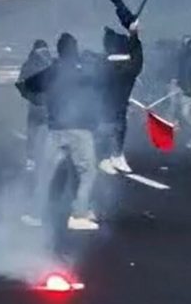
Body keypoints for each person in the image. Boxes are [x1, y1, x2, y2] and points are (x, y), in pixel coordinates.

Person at [19, 33, 103, 231]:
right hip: (79, 129)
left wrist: (41, 101)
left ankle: (35, 214)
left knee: (45, 173)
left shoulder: (52, 70)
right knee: (88, 171)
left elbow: (26, 86)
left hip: (55, 128)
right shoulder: (83, 69)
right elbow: (100, 85)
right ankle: (79, 213)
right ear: (74, 49)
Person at [98, 22, 143, 175]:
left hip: (105, 105)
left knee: (108, 126)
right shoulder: (129, 66)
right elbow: (138, 57)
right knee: (118, 125)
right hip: (119, 104)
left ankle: (106, 156)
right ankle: (115, 154)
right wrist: (134, 35)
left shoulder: (102, 64)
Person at [17, 40, 53, 172]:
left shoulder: (28, 64)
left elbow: (21, 83)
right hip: (49, 105)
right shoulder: (50, 62)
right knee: (53, 132)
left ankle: (31, 160)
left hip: (34, 105)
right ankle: (52, 158)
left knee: (32, 132)